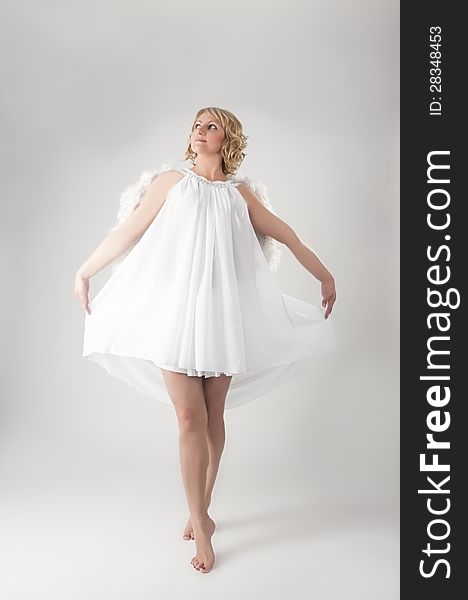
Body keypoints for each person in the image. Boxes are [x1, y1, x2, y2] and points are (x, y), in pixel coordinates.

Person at [74, 106, 337, 573]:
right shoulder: (170, 183)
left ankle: (204, 508)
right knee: (189, 417)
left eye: (210, 125)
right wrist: (85, 271)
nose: (199, 131)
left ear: (228, 138)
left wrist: (324, 276)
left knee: (214, 415)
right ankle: (199, 520)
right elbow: (128, 230)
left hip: (221, 316)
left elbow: (289, 236)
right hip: (176, 316)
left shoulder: (241, 195)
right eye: (196, 124)